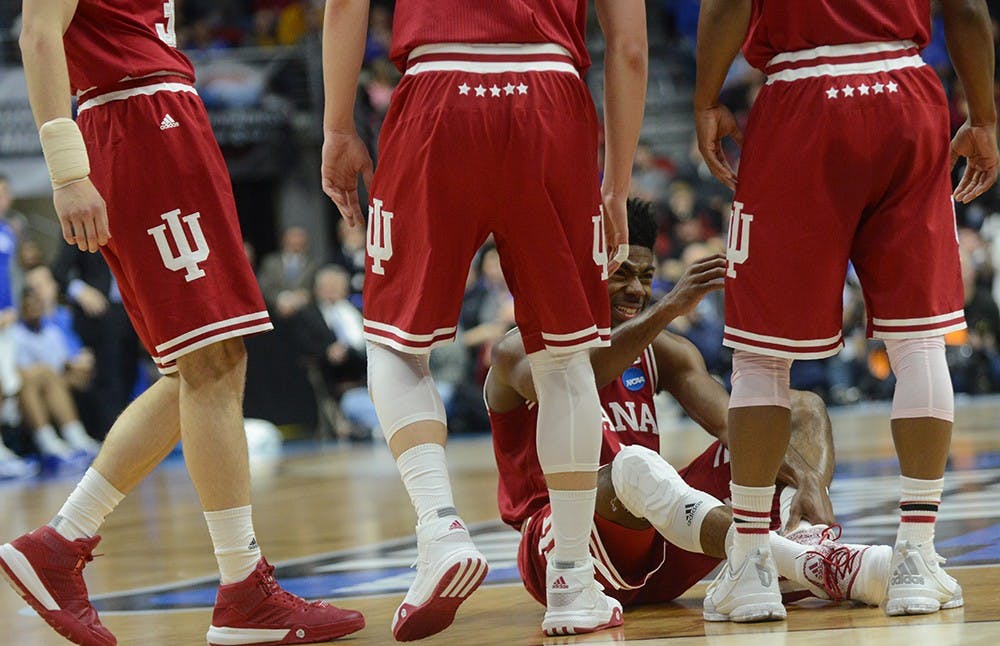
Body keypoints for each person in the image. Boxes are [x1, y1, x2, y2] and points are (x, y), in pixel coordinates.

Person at [0, 2, 364, 645]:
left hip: (164, 113)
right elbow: (37, 32)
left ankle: (59, 545)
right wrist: (66, 170)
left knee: (193, 368)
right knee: (216, 358)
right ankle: (242, 587)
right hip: (137, 118)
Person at [321, 0, 648, 639]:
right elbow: (630, 49)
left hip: (437, 92)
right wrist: (616, 186)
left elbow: (344, 7)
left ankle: (440, 528)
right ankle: (573, 582)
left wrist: (337, 127)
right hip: (551, 99)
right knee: (565, 358)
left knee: (395, 341)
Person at [694, 0, 998, 623]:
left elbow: (726, 3)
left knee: (760, 354)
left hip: (801, 96)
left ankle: (751, 560)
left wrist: (705, 99)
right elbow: (965, 8)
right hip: (904, 89)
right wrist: (986, 117)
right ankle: (915, 557)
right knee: (920, 343)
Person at [486, 199, 893, 617]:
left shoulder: (664, 352)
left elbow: (732, 424)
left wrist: (807, 479)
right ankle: (793, 562)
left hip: (662, 535)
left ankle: (804, 547)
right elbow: (574, 375)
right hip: (563, 551)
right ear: (583, 275)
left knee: (798, 411)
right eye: (621, 274)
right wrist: (670, 308)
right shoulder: (517, 351)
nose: (638, 291)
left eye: (647, 278)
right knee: (633, 465)